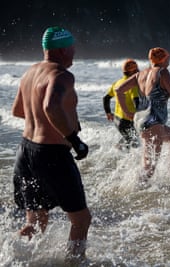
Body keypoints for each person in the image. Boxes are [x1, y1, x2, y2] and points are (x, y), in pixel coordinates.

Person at [11, 26, 92, 260]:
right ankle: (75, 263)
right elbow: (50, 106)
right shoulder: (61, 74)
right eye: (73, 47)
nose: (75, 52)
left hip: (25, 151)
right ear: (63, 49)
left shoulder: (30, 73)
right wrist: (73, 139)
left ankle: (12, 257)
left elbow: (18, 111)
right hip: (51, 154)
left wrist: (44, 123)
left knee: (36, 221)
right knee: (81, 218)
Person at [116, 47, 170, 178]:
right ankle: (134, 191)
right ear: (163, 58)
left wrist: (128, 112)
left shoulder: (140, 74)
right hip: (153, 122)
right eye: (168, 57)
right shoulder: (162, 72)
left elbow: (119, 90)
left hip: (140, 119)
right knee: (149, 169)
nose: (169, 60)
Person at [103, 59, 140, 149]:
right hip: (127, 120)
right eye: (137, 70)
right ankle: (117, 157)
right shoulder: (133, 85)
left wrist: (108, 113)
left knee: (128, 140)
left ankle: (116, 150)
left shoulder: (117, 83)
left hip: (117, 119)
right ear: (133, 71)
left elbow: (106, 98)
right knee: (133, 144)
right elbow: (137, 102)